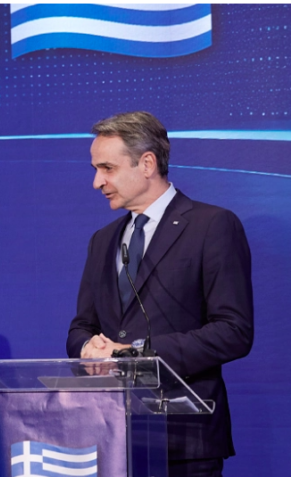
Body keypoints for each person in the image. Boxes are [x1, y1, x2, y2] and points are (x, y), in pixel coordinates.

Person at [66, 112, 253, 476]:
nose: (97, 182)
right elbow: (81, 326)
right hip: (112, 438)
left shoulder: (211, 226)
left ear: (147, 164)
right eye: (96, 169)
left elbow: (234, 331)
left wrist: (136, 354)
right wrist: (89, 348)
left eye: (107, 168)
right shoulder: (102, 240)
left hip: (184, 439)